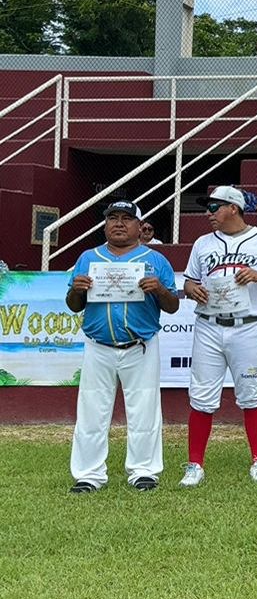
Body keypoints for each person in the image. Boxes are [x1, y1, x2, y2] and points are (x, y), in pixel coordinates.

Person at [178, 186, 257, 487]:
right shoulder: (203, 243)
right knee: (201, 396)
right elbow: (189, 281)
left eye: (214, 207)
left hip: (249, 324)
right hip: (209, 323)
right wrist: (193, 290)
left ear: (233, 207)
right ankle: (194, 465)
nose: (209, 213)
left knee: (252, 393)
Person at [66, 200, 181, 493]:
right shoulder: (88, 257)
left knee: (144, 409)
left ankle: (144, 471)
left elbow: (172, 306)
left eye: (126, 219)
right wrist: (77, 290)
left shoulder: (155, 260)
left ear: (139, 227)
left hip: (140, 344)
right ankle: (88, 475)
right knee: (92, 410)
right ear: (105, 224)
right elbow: (73, 305)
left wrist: (160, 289)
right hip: (98, 344)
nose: (118, 223)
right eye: (112, 218)